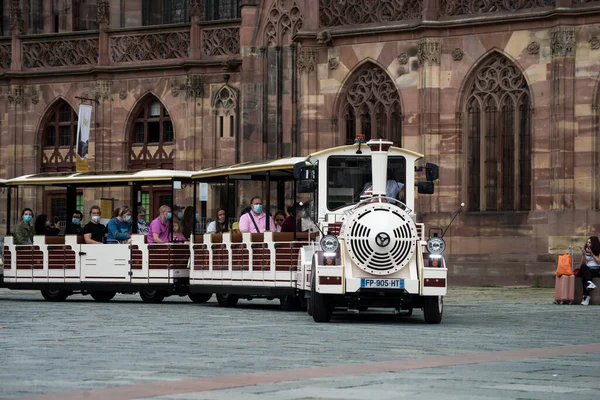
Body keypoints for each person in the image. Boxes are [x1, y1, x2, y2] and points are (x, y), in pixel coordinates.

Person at [580, 236, 600, 305]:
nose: (588, 244)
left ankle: (586, 296)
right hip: (588, 269)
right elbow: (583, 263)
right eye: (587, 242)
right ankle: (589, 283)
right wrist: (583, 254)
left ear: (594, 243)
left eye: (590, 243)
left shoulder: (598, 250)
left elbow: (598, 262)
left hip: (597, 270)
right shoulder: (586, 250)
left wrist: (592, 253)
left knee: (585, 276)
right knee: (583, 268)